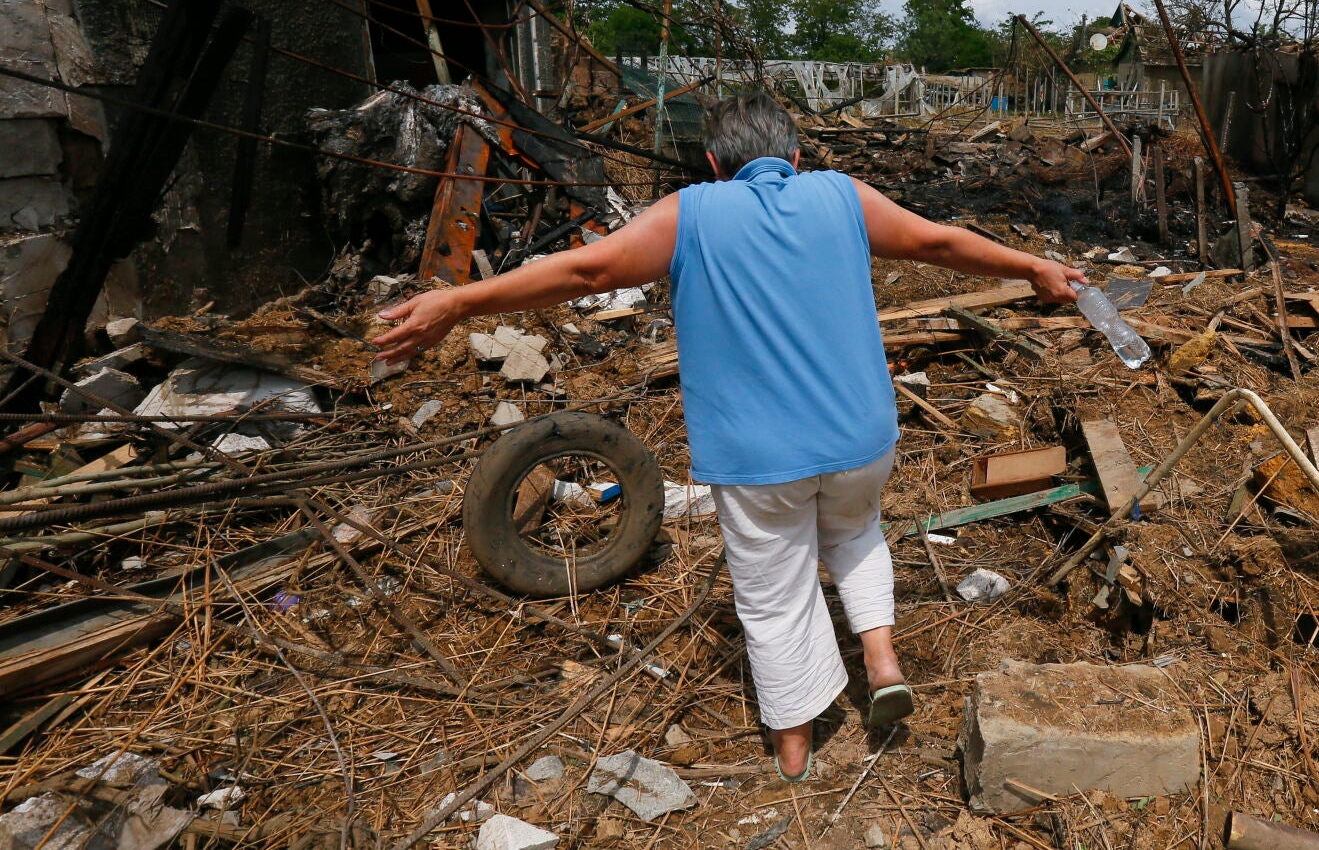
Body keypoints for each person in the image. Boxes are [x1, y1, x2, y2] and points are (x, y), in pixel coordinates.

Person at [372, 93, 1084, 781]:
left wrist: (460, 300)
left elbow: (588, 269)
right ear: (796, 157)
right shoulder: (844, 195)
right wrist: (1032, 265)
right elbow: (938, 241)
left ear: (714, 163)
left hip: (758, 455)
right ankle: (881, 658)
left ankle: (795, 742)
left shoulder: (689, 212)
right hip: (862, 435)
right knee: (855, 528)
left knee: (774, 588)